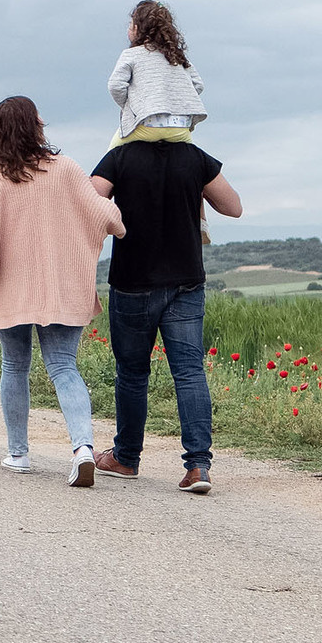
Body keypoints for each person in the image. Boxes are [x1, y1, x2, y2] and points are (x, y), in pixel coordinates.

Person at [0, 97, 125, 484]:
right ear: (32, 124)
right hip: (62, 287)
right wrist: (118, 220)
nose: (45, 118)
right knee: (64, 367)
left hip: (8, 286)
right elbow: (103, 215)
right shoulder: (65, 169)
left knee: (15, 365)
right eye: (38, 114)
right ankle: (83, 448)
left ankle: (19, 454)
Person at [88, 125, 242, 495]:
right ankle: (198, 467)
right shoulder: (195, 158)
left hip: (133, 282)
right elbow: (233, 207)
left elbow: (87, 204)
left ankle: (125, 458)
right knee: (189, 371)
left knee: (132, 373)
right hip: (187, 280)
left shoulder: (120, 157)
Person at [108, 0, 206, 142]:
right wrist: (175, 100)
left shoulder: (131, 54)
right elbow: (198, 85)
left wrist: (134, 105)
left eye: (130, 24)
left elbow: (115, 85)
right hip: (180, 129)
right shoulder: (177, 56)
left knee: (114, 151)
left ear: (136, 29)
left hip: (147, 126)